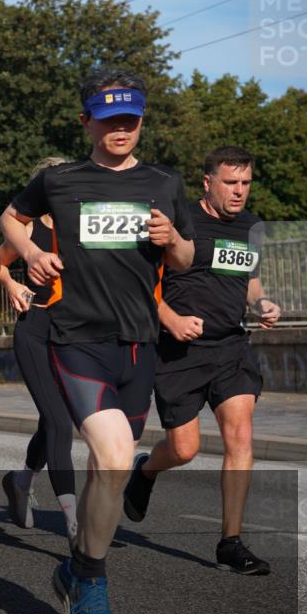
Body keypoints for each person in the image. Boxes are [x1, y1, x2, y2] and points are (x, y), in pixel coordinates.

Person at [0, 69, 195, 614]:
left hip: (139, 345)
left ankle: (76, 568)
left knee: (104, 472)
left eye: (130, 120)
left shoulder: (164, 182)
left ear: (142, 122)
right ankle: (92, 583)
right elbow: (10, 219)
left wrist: (172, 241)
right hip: (76, 339)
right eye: (108, 120)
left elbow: (183, 259)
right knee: (112, 457)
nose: (120, 129)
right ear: (86, 122)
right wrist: (32, 253)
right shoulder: (61, 181)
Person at [123, 146, 279, 575]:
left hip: (231, 347)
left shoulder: (250, 226)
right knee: (184, 448)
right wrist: (170, 319)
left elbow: (249, 278)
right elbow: (138, 285)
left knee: (240, 435)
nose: (239, 192)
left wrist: (262, 302)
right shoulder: (178, 224)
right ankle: (147, 471)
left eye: (245, 183)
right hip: (179, 352)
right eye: (230, 183)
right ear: (207, 181)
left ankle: (231, 541)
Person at [0, 157, 78, 548]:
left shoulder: (82, 227)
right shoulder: (25, 229)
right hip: (35, 330)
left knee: (56, 420)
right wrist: (11, 284)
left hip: (76, 334)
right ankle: (76, 525)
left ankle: (21, 480)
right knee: (59, 423)